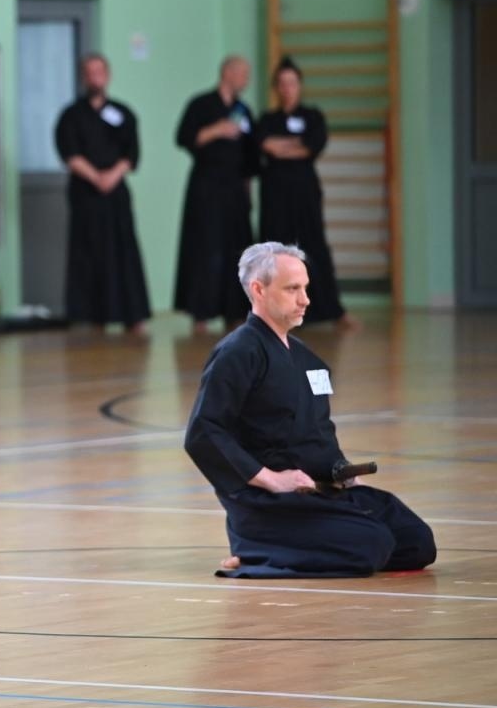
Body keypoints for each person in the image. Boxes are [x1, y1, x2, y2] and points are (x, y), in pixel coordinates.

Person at [183, 242, 434, 578]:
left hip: (320, 492)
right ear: (258, 290)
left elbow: (317, 430)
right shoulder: (237, 352)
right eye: (292, 289)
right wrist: (271, 479)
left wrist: (344, 473)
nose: (305, 300)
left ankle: (291, 547)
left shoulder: (308, 359)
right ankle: (259, 548)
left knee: (416, 541)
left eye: (305, 288)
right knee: (372, 544)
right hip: (269, 504)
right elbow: (203, 433)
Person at [253, 58, 357, 329]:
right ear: (276, 87)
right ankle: (269, 313)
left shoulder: (313, 116)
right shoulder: (267, 119)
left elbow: (312, 146)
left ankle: (333, 311)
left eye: (292, 83)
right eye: (282, 83)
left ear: (299, 86)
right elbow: (267, 146)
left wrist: (284, 146)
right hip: (275, 192)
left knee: (313, 245)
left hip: (305, 191)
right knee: (274, 250)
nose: (287, 88)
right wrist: (293, 145)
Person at [53, 53, 150, 332]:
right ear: (83, 77)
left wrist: (112, 176)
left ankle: (132, 315)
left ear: (107, 75)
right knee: (88, 253)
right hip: (85, 193)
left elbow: (131, 154)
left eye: (99, 71)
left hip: (116, 192)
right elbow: (70, 154)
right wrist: (96, 177)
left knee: (123, 251)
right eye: (89, 72)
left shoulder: (123, 113)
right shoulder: (71, 116)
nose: (95, 77)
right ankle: (92, 316)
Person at [173, 56, 256, 334]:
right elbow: (184, 138)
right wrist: (216, 130)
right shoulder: (201, 105)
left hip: (234, 188)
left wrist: (248, 193)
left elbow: (250, 157)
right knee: (205, 246)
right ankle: (201, 313)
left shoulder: (243, 110)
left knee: (237, 249)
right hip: (206, 186)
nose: (246, 79)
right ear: (227, 73)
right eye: (242, 73)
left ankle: (235, 312)